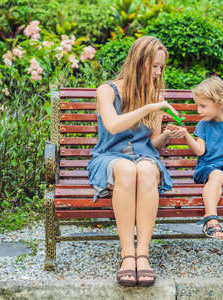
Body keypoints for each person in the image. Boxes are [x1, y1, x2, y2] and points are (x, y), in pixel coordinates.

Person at [87, 36, 181, 286]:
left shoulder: (155, 94)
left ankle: (143, 254)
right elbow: (114, 125)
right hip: (109, 158)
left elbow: (152, 145)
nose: (158, 72)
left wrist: (167, 136)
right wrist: (149, 108)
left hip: (145, 159)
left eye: (161, 67)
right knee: (128, 169)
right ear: (138, 62)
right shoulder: (107, 90)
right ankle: (127, 254)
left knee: (146, 169)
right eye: (154, 66)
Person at [169, 76, 223, 239]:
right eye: (197, 106)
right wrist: (186, 135)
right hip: (208, 167)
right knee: (217, 175)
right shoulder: (203, 124)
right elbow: (200, 151)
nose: (198, 111)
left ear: (219, 102)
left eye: (203, 106)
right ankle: (211, 220)